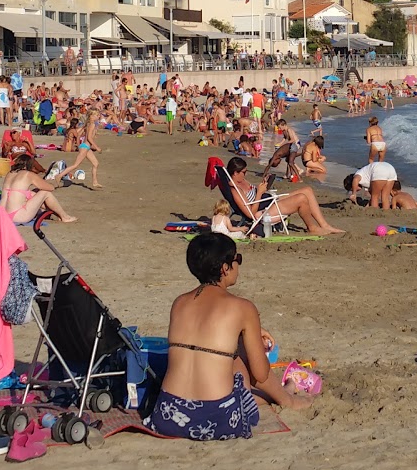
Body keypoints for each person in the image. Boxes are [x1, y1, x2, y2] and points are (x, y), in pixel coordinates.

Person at [143, 232, 285, 439]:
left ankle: (283, 396)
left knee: (214, 353)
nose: (238, 265)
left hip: (167, 415)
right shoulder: (243, 307)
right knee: (236, 359)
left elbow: (203, 337)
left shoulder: (179, 303)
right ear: (225, 267)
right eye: (237, 259)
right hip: (216, 419)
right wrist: (250, 336)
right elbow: (261, 375)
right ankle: (288, 397)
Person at [225, 158, 344, 235]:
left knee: (307, 190)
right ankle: (312, 228)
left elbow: (253, 194)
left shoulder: (241, 181)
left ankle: (324, 225)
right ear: (235, 173)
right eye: (243, 172)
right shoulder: (236, 190)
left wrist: (261, 188)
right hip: (262, 211)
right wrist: (260, 193)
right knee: (301, 199)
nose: (245, 175)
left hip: (268, 201)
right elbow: (250, 213)